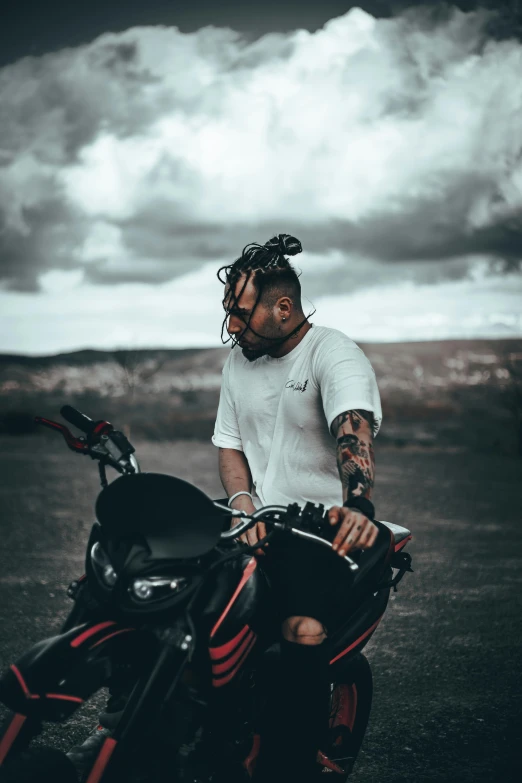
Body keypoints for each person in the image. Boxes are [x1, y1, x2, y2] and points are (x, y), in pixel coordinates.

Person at [210, 233, 382, 783]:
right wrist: (241, 502)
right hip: (255, 522)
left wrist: (358, 503)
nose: (233, 327)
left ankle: (294, 766)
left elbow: (351, 431)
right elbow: (229, 444)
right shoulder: (237, 365)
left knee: (300, 628)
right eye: (229, 314)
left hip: (320, 529)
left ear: (282, 307)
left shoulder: (333, 352)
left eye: (241, 314)